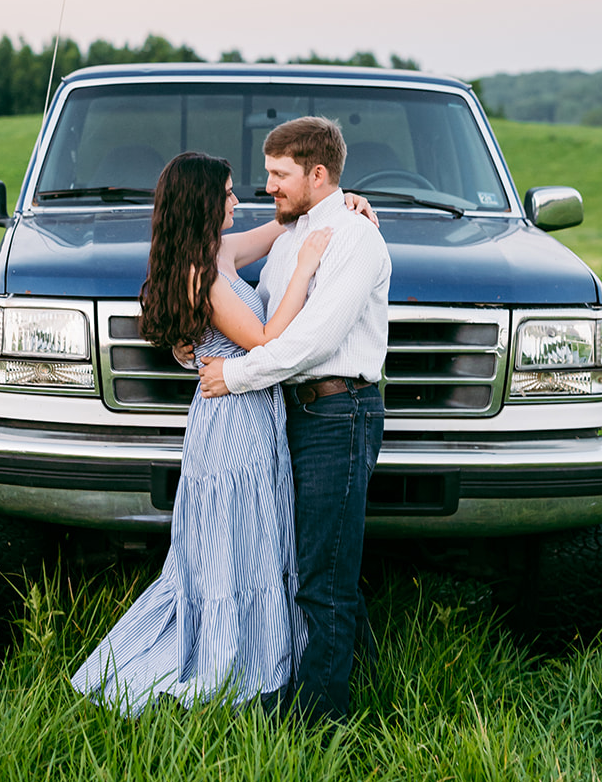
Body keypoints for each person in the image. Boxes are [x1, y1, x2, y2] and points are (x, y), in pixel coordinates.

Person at [70, 151, 377, 714]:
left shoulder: (220, 251)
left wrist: (345, 201)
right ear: (203, 202)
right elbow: (263, 338)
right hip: (233, 419)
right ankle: (234, 656)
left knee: (256, 537)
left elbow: (280, 223)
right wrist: (306, 267)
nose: (240, 200)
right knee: (237, 540)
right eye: (229, 193)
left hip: (251, 413)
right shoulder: (202, 275)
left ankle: (265, 648)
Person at [198, 117, 390, 723]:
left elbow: (311, 340)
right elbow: (257, 310)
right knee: (314, 556)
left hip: (340, 411)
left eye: (280, 175)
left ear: (317, 174)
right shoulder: (292, 237)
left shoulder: (352, 238)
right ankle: (348, 676)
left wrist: (235, 377)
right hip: (298, 414)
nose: (268, 185)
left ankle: (320, 714)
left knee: (324, 571)